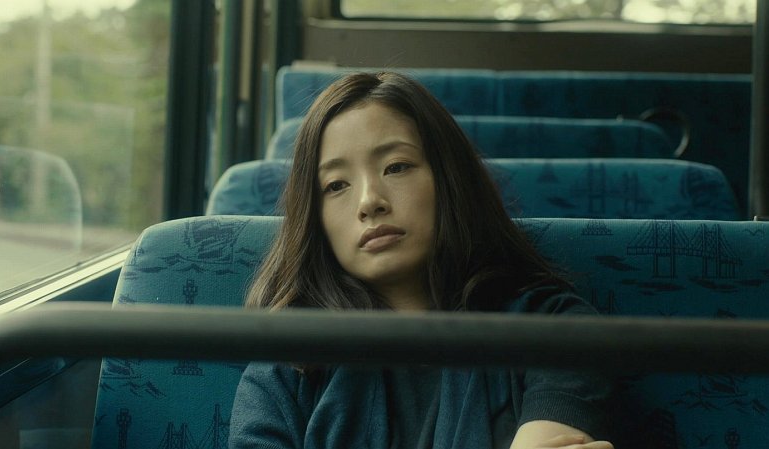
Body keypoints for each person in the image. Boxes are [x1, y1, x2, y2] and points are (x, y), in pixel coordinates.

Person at [228, 72, 613, 449]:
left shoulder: (556, 330)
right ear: (315, 217)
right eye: (336, 185)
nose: (369, 202)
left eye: (396, 167)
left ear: (449, 178)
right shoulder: (288, 361)